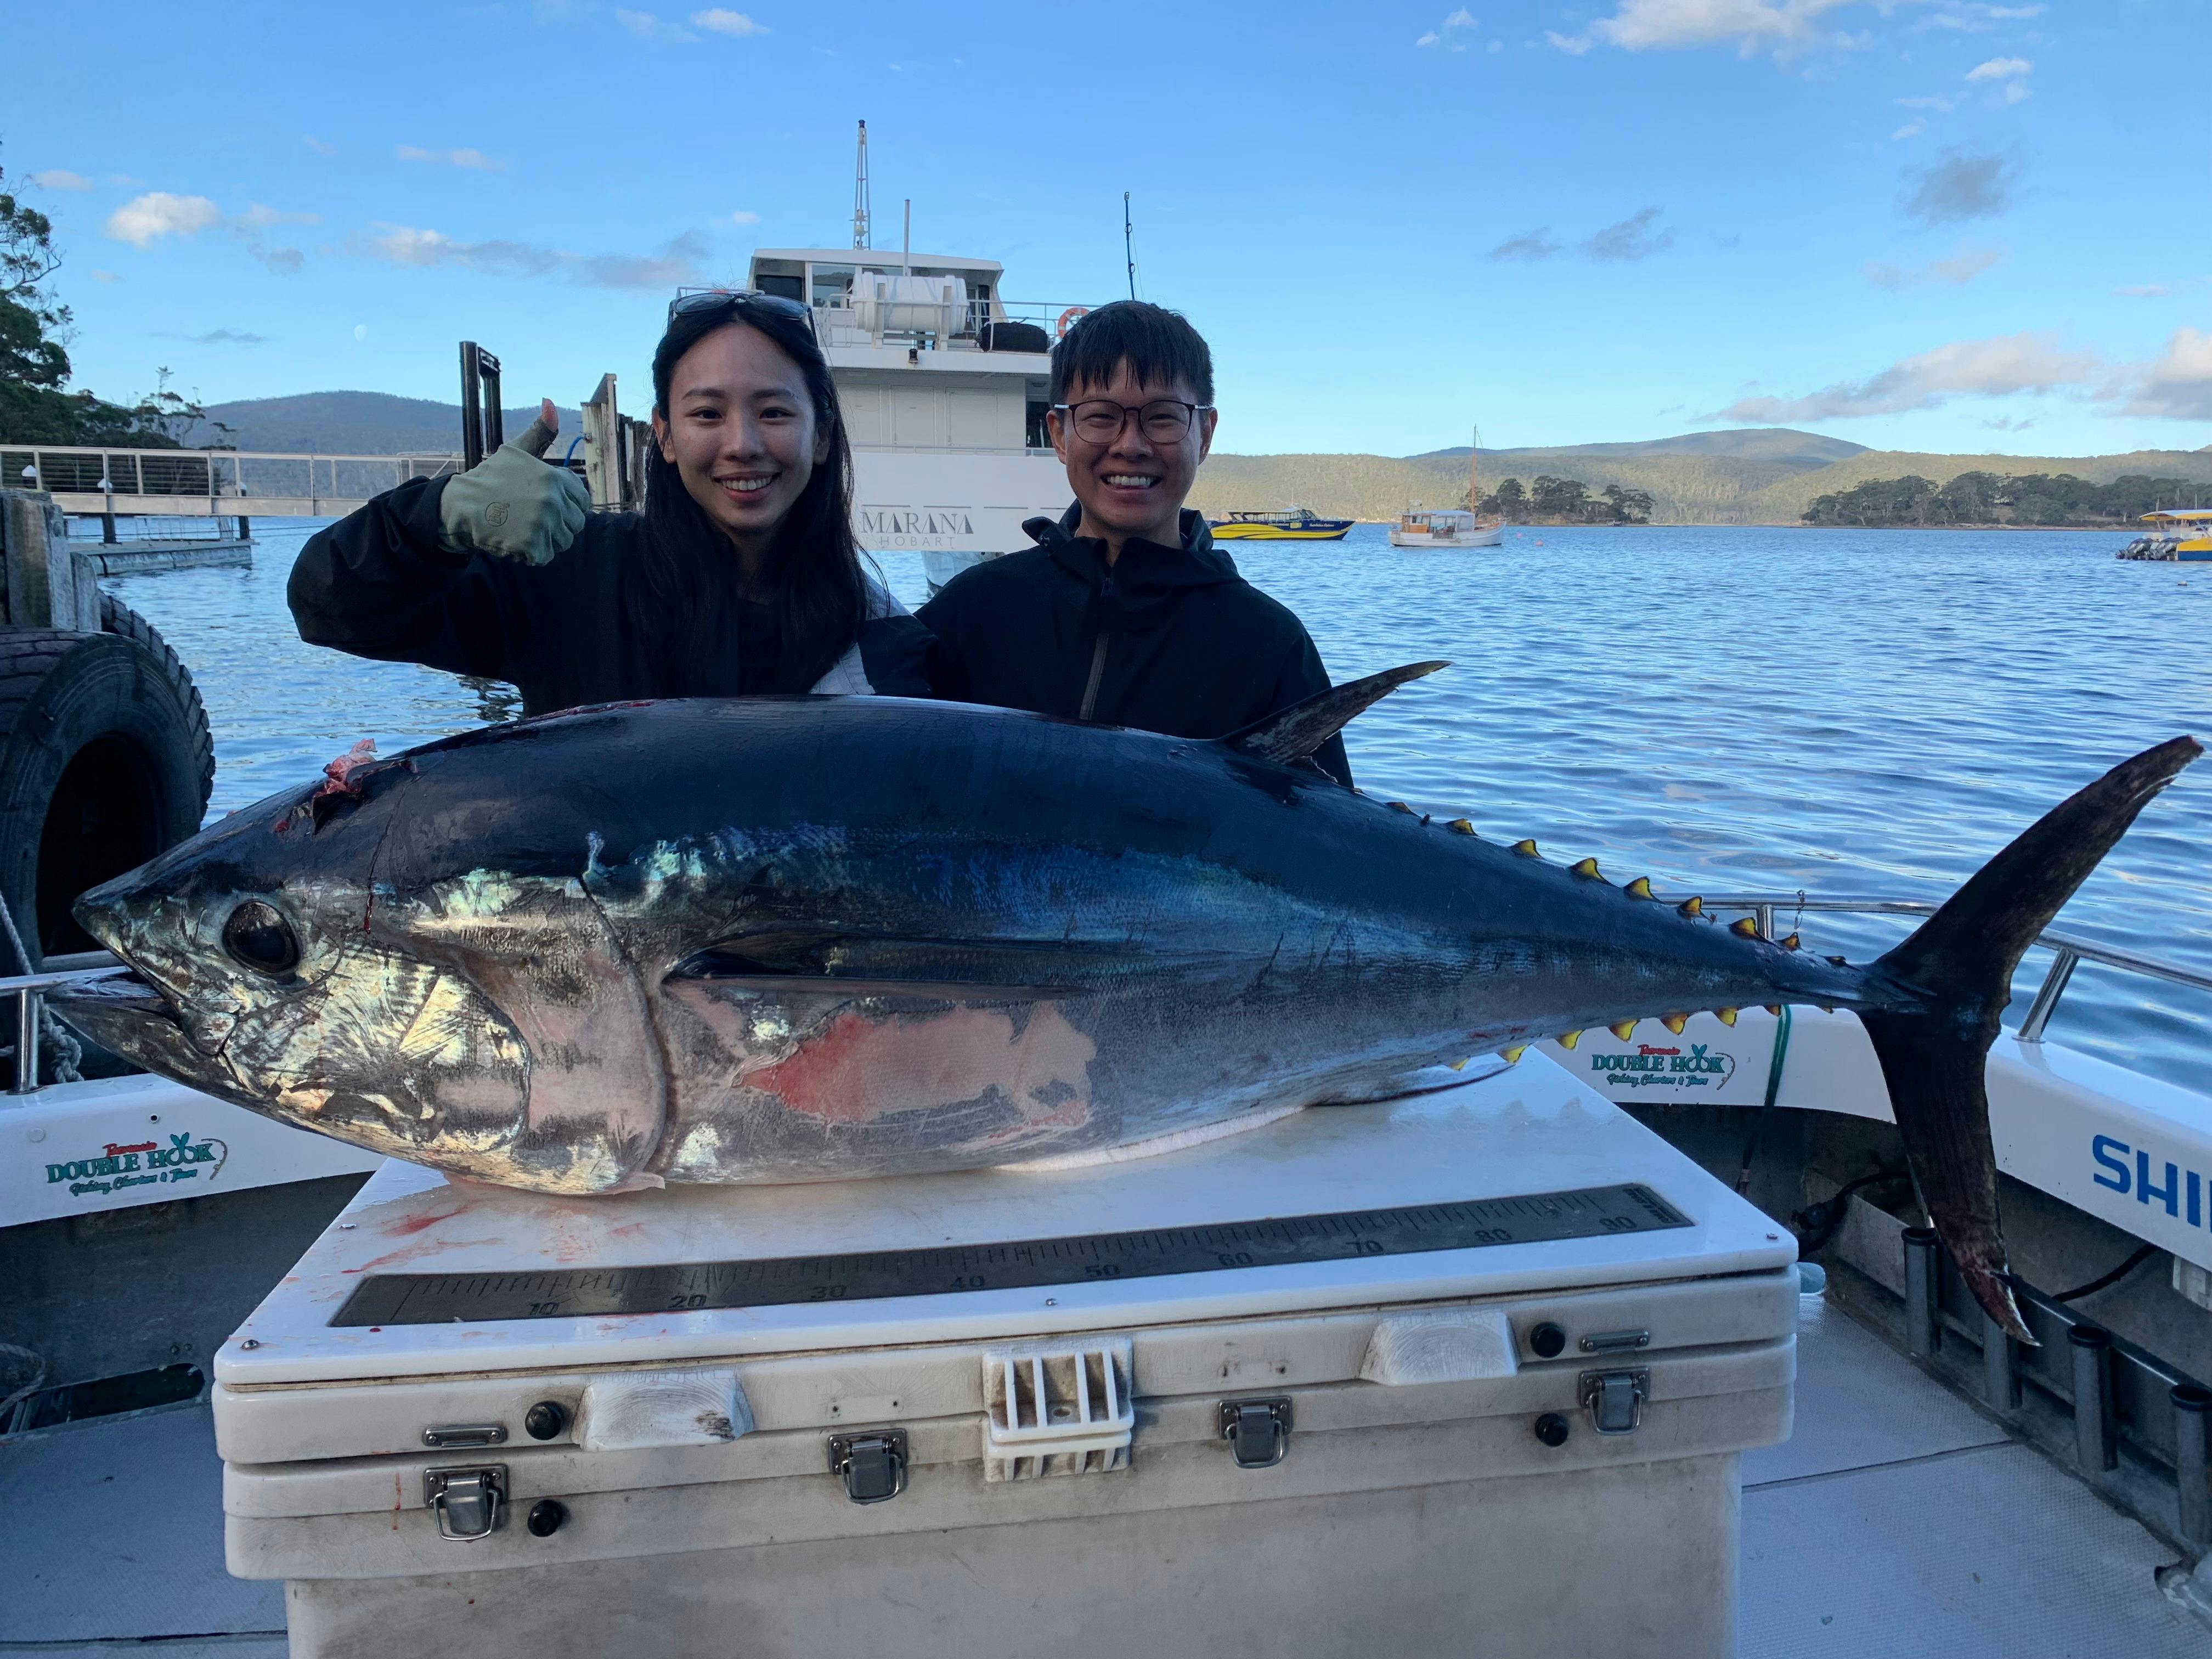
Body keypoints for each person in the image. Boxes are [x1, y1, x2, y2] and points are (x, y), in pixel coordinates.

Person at [289, 293, 930, 715]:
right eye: (707, 413)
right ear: (666, 436)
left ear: (822, 436)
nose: (743, 444)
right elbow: (329, 607)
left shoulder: (881, 640)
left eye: (775, 412)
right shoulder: (571, 577)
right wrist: (438, 520)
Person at [917, 301, 1352, 783]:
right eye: (1101, 417)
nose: (1131, 444)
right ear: (1060, 435)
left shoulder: (1269, 643)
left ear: (1204, 435)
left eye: (1163, 417)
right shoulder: (971, 612)